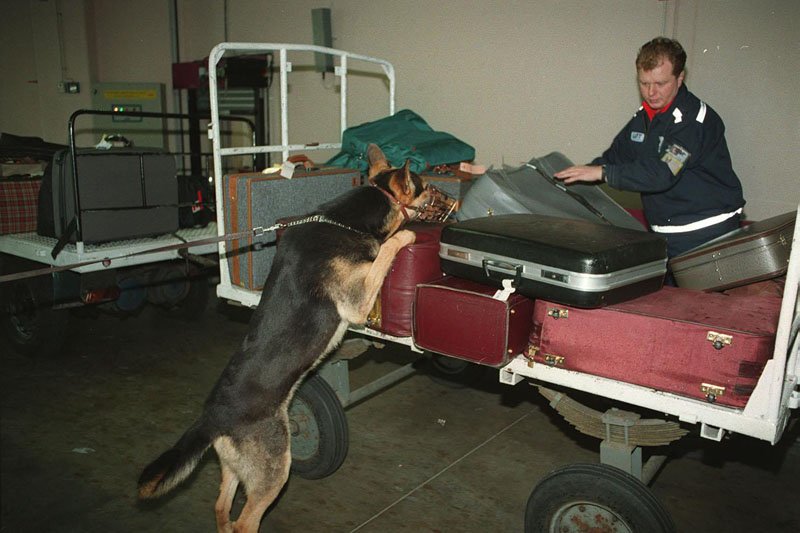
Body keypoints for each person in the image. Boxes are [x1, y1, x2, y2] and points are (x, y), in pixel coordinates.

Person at [554, 37, 745, 259]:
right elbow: (615, 158)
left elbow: (662, 173)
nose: (651, 92)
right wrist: (572, 177)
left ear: (680, 78)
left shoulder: (693, 122)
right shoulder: (644, 117)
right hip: (665, 233)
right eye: (644, 83)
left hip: (706, 234)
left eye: (660, 84)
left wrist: (603, 173)